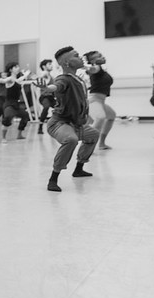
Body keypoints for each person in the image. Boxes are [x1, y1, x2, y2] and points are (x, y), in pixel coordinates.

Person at [38, 46, 98, 192]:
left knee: (93, 135)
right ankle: (53, 179)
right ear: (66, 63)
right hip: (59, 124)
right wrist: (48, 88)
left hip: (75, 124)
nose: (81, 58)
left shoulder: (77, 78)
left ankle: (79, 169)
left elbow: (95, 70)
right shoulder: (63, 78)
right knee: (70, 140)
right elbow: (57, 86)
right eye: (76, 56)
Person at [84, 50, 116, 150]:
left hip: (101, 101)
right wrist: (86, 66)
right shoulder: (96, 68)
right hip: (94, 100)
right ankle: (87, 146)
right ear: (93, 60)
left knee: (111, 116)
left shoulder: (101, 69)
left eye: (101, 55)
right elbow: (92, 69)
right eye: (99, 56)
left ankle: (101, 144)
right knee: (100, 118)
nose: (102, 57)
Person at [0, 62, 31, 143]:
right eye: (15, 67)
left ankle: (19, 135)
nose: (18, 68)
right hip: (9, 105)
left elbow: (19, 80)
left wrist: (26, 75)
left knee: (25, 116)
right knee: (8, 117)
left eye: (18, 66)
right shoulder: (10, 79)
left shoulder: (16, 80)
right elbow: (4, 80)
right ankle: (3, 138)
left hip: (16, 104)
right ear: (11, 69)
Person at [36, 59, 56, 134]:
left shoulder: (51, 76)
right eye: (49, 64)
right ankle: (40, 127)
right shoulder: (45, 73)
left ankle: (53, 124)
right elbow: (41, 75)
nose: (51, 66)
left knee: (61, 107)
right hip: (44, 97)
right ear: (44, 66)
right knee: (46, 107)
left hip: (51, 97)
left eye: (51, 64)